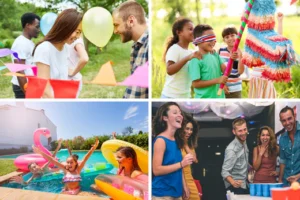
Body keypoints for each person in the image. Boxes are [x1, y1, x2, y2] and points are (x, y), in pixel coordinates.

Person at [33, 9, 83, 98]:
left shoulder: (66, 48)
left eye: (80, 33)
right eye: (77, 32)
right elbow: (45, 90)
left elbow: (62, 75)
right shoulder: (44, 49)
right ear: (66, 28)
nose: (78, 36)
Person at [152, 102, 194, 200]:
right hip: (162, 194)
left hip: (177, 193)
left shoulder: (177, 140)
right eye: (175, 113)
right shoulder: (160, 140)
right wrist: (181, 164)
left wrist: (184, 186)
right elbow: (156, 170)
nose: (180, 115)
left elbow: (180, 167)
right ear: (165, 118)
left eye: (180, 113)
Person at [32, 139, 99, 195]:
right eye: (68, 162)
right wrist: (41, 153)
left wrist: (92, 149)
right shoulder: (65, 170)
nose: (69, 164)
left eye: (71, 162)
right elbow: (52, 160)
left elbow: (85, 158)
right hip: (65, 191)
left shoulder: (78, 170)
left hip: (77, 191)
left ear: (76, 163)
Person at [112, 1, 148, 98]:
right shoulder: (137, 45)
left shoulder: (149, 45)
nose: (115, 31)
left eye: (116, 25)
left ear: (131, 21)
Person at [161, 18, 202, 98]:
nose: (193, 32)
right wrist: (188, 58)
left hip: (186, 96)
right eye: (190, 29)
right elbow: (169, 70)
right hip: (170, 96)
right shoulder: (175, 48)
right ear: (179, 32)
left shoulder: (191, 52)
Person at [188, 24, 228, 98]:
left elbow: (226, 71)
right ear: (198, 41)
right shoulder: (195, 60)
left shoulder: (215, 55)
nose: (213, 42)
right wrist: (217, 80)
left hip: (220, 99)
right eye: (209, 39)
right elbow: (195, 84)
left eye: (214, 39)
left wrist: (232, 58)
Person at [11, 13, 40, 98]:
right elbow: (19, 70)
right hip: (22, 88)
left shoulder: (28, 42)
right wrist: (27, 93)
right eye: (37, 27)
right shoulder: (21, 43)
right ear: (28, 25)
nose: (39, 30)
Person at [221, 118, 250, 194]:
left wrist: (249, 166)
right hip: (235, 187)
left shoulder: (244, 141)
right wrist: (233, 182)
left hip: (244, 185)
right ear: (234, 132)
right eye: (240, 131)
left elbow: (240, 160)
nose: (243, 133)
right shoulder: (231, 149)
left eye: (245, 129)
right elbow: (224, 171)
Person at [219, 25, 244, 98]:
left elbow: (240, 71)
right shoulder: (221, 51)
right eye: (227, 37)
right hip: (222, 87)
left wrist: (240, 57)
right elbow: (218, 70)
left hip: (236, 89)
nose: (230, 38)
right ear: (224, 40)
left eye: (232, 35)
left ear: (237, 37)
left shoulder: (240, 53)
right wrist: (222, 85)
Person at [179, 114, 200, 200]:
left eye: (191, 129)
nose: (189, 132)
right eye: (187, 129)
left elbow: (195, 160)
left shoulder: (189, 144)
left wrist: (185, 143)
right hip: (179, 179)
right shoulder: (176, 143)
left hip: (189, 179)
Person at [278, 106, 300, 186]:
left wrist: (298, 176)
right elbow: (283, 161)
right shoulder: (282, 138)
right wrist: (280, 180)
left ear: (294, 116)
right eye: (284, 120)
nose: (287, 123)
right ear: (281, 122)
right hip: (286, 183)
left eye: (289, 118)